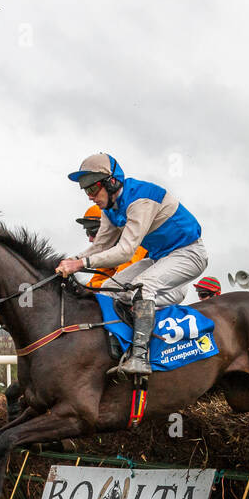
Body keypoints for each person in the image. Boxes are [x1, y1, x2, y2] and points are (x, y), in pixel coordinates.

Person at [56, 153, 208, 379]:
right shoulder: (110, 208)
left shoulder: (140, 201)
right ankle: (117, 346)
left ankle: (140, 357)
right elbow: (100, 246)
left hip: (189, 253)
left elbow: (124, 251)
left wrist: (79, 264)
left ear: (112, 182)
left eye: (92, 189)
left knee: (142, 287)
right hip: (161, 257)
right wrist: (70, 262)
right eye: (85, 191)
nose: (90, 197)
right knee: (108, 288)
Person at [74, 205, 147, 289]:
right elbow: (97, 280)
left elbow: (120, 281)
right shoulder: (110, 252)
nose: (90, 239)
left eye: (93, 232)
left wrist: (87, 288)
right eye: (87, 232)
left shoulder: (136, 244)